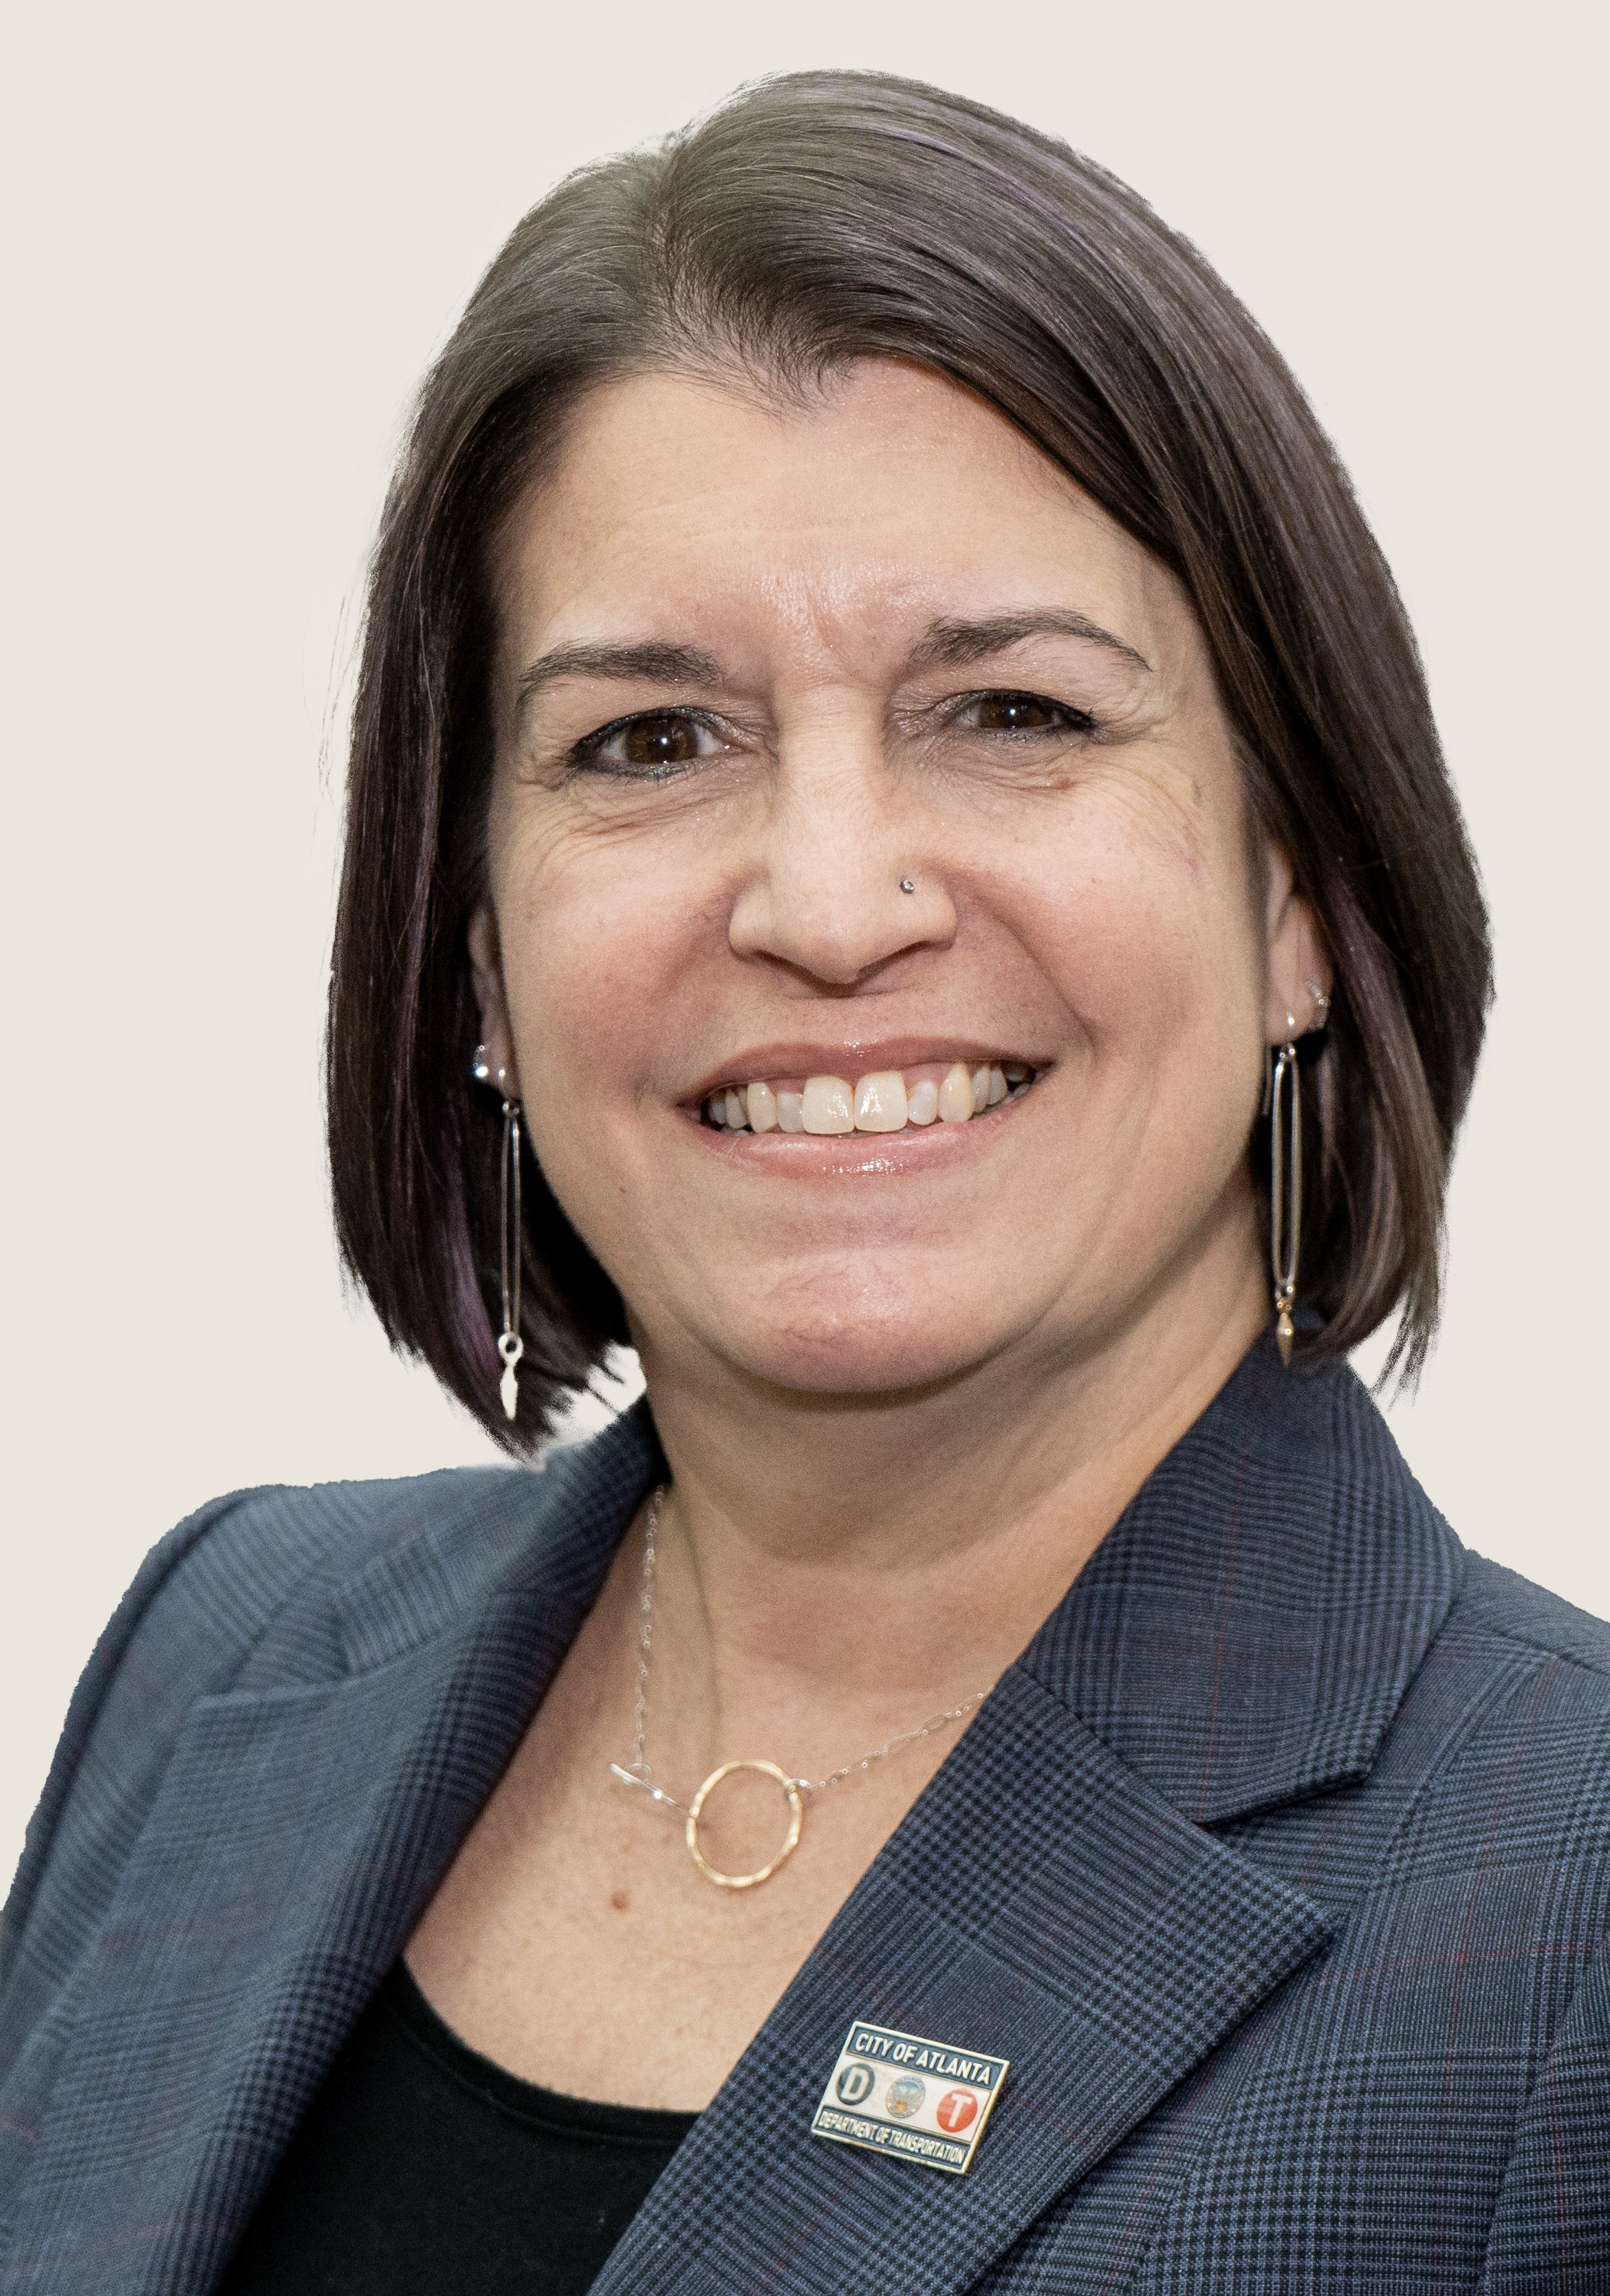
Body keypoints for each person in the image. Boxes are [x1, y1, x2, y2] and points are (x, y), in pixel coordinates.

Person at [3, 66, 1607, 2296]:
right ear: (477, 948)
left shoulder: (1565, 1906)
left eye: (1015, 712)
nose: (831, 901)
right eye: (649, 742)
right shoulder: (221, 1660)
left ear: (1300, 898)